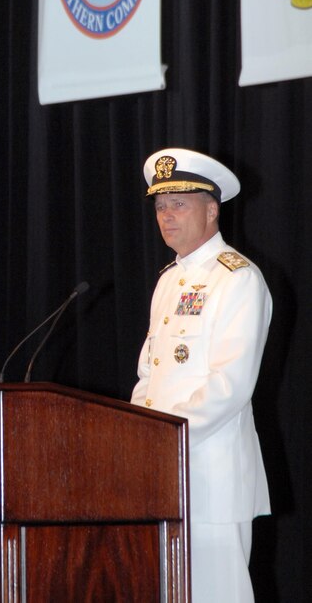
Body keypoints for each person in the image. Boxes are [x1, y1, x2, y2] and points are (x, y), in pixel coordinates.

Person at [131, 147, 272, 603]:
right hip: (162, 472)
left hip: (211, 476)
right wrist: (130, 437)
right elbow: (148, 376)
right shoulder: (169, 280)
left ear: (212, 210)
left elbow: (230, 385)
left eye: (179, 204)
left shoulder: (238, 278)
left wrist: (163, 438)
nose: (166, 217)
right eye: (159, 206)